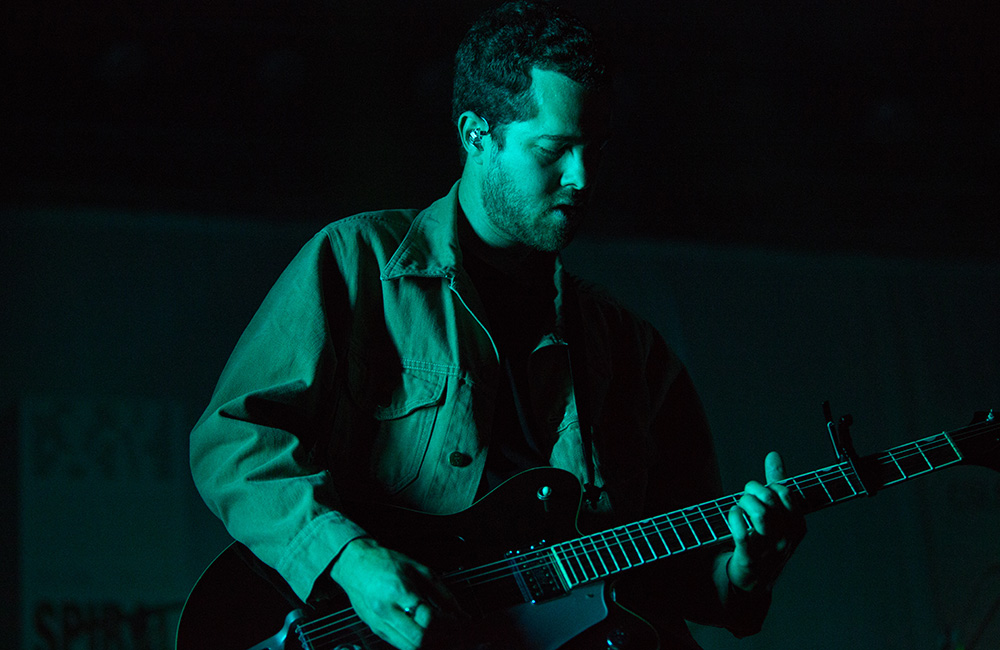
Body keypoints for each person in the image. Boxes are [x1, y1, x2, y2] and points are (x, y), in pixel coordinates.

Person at [189, 2, 806, 649]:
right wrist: (352, 560)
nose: (582, 178)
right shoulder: (356, 264)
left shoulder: (630, 349)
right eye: (554, 149)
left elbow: (682, 574)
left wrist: (743, 570)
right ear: (476, 134)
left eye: (594, 151)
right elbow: (233, 442)